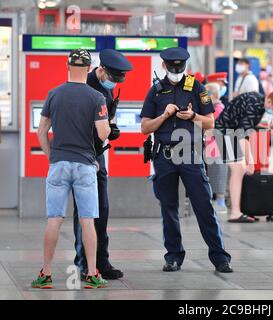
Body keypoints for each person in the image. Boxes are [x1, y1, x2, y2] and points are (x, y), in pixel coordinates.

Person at [140, 47, 233, 273]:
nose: (176, 71)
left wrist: (193, 116)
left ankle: (220, 257)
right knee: (169, 208)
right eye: (172, 68)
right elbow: (144, 128)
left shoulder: (197, 88)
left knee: (203, 206)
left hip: (191, 153)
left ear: (185, 67)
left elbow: (210, 122)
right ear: (164, 67)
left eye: (180, 68)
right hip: (164, 155)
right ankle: (173, 256)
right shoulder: (155, 91)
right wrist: (164, 115)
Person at [32, 49, 111, 289]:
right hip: (85, 165)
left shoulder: (54, 94)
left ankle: (45, 274)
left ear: (67, 67)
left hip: (58, 164)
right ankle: (91, 274)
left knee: (54, 220)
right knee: (87, 221)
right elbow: (103, 133)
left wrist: (51, 156)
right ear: (89, 69)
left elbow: (41, 131)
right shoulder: (96, 97)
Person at [73, 49, 132, 280]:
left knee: (102, 211)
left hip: (98, 154)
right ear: (101, 70)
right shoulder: (84, 88)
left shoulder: (107, 91)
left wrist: (111, 130)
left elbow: (105, 121)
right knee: (85, 212)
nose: (113, 83)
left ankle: (101, 261)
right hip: (83, 156)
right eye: (112, 78)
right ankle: (82, 263)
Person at [215, 91, 266, 223]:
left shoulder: (258, 100)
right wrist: (251, 161)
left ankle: (239, 210)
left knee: (239, 170)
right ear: (271, 102)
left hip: (229, 131)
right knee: (238, 170)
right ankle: (235, 212)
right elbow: (243, 134)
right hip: (226, 131)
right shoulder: (255, 106)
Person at [204, 82, 228, 213]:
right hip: (212, 146)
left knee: (219, 173)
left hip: (216, 146)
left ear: (212, 95)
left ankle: (220, 202)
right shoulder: (214, 107)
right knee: (214, 173)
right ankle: (216, 200)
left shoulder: (218, 108)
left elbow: (210, 126)